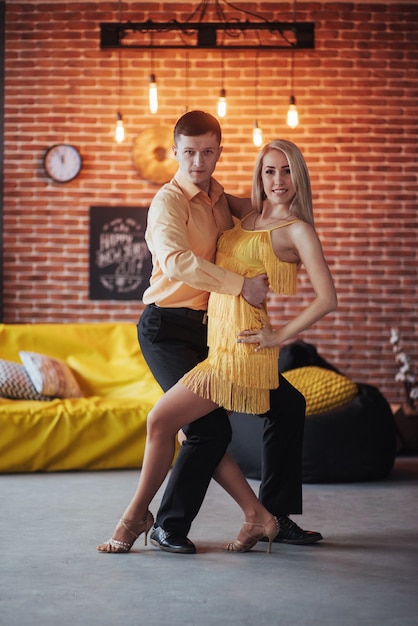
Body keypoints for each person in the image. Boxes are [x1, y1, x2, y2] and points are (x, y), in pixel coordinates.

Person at [97, 112, 337, 554]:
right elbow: (176, 262)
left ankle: (272, 516)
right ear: (175, 152)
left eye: (208, 152)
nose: (198, 161)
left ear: (220, 153)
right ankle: (166, 523)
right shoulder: (168, 202)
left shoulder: (225, 201)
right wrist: (242, 285)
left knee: (287, 403)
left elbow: (270, 221)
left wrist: (283, 225)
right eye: (189, 152)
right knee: (206, 428)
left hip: (217, 332)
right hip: (167, 326)